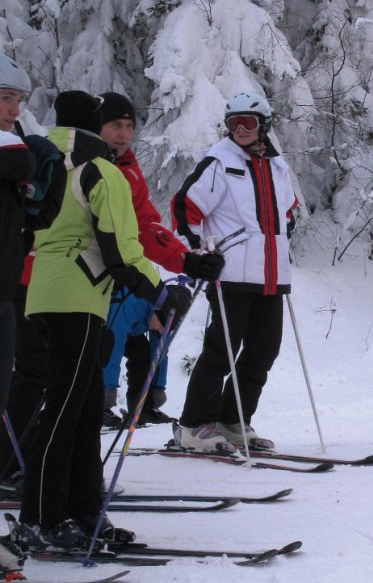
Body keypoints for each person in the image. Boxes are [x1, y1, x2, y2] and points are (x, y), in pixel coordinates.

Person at [17, 90, 191, 550]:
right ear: (96, 125)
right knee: (66, 410)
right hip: (77, 295)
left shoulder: (42, 157)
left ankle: (81, 509)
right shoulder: (101, 169)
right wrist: (160, 293)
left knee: (83, 407)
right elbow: (120, 247)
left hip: (43, 293)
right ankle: (43, 517)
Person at [171, 91, 298, 453]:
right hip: (232, 274)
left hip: (272, 275)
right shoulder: (218, 162)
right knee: (221, 351)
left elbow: (287, 210)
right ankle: (194, 425)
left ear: (263, 127)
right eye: (233, 123)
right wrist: (199, 251)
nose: (240, 130)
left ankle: (232, 420)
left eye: (249, 123)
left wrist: (286, 228)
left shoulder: (277, 165)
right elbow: (185, 208)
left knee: (263, 352)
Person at [96, 92, 224, 427]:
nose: (123, 134)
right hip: (91, 286)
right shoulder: (85, 165)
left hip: (121, 284)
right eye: (114, 125)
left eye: (128, 126)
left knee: (141, 352)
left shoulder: (129, 171)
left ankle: (141, 406)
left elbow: (145, 228)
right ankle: (100, 404)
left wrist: (187, 261)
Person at [0, 52, 66, 583]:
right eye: (3, 97)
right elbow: (24, 162)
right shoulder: (10, 149)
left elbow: (40, 208)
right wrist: (38, 161)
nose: (12, 108)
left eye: (18, 100)